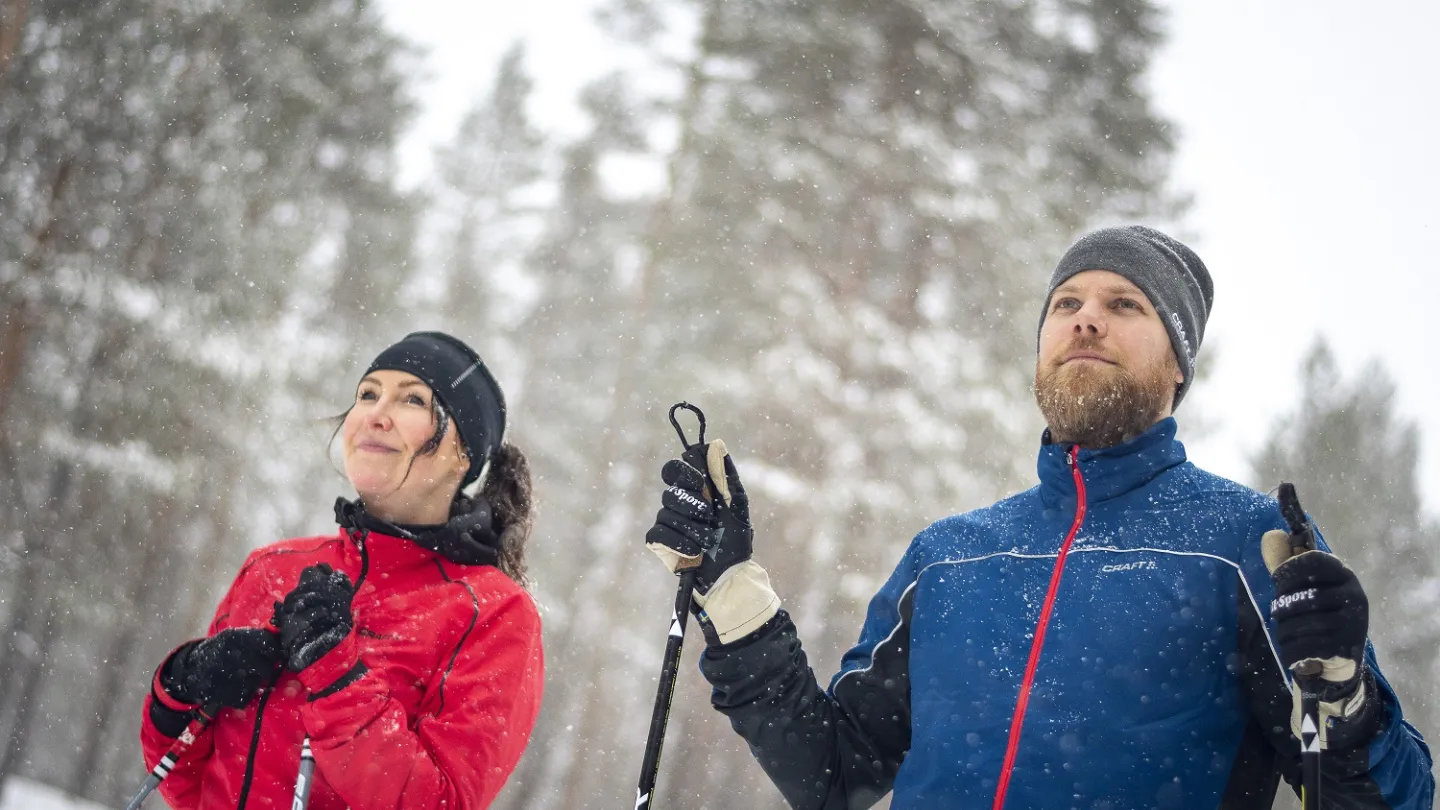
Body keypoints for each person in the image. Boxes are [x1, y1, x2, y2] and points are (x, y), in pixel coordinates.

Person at [645, 227, 1434, 809]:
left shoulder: (1247, 545)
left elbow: (1386, 798)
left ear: (1179, 365)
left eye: (1124, 304)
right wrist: (736, 598)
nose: (1086, 319)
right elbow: (836, 775)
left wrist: (1347, 700)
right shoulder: (949, 556)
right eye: (1067, 303)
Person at [140, 331, 543, 810]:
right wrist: (184, 684)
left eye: (413, 399)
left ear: (464, 454)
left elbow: (442, 802)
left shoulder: (494, 613)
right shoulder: (273, 567)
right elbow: (188, 785)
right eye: (367, 394)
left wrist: (336, 677)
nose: (376, 413)